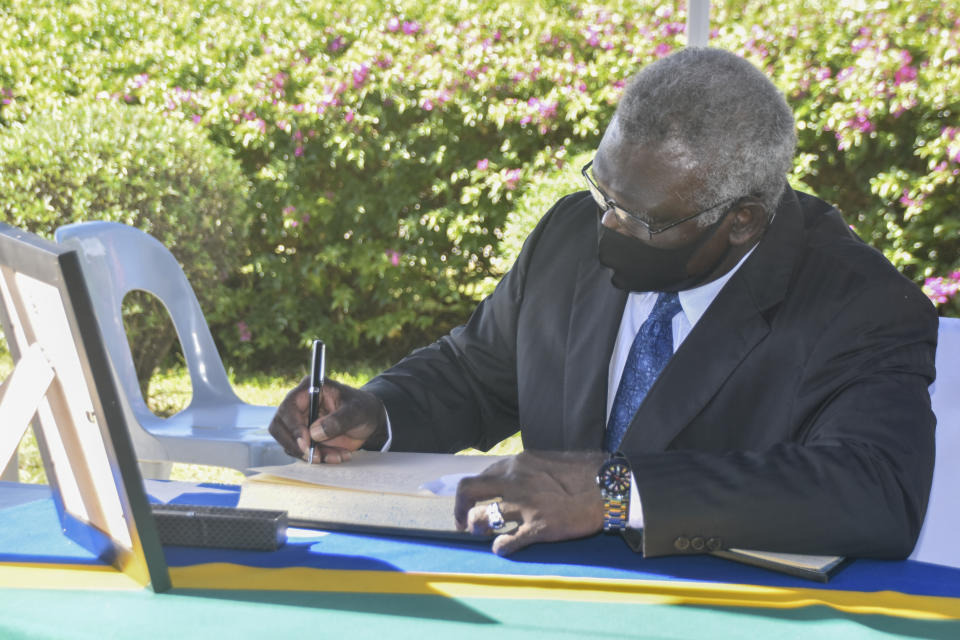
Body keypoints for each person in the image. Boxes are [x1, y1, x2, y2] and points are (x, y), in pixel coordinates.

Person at [269, 47, 937, 559]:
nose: (609, 228)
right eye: (604, 192)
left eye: (642, 217)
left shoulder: (860, 302)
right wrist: (376, 412)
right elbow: (476, 374)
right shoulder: (568, 235)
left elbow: (874, 489)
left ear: (743, 221)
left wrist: (617, 493)